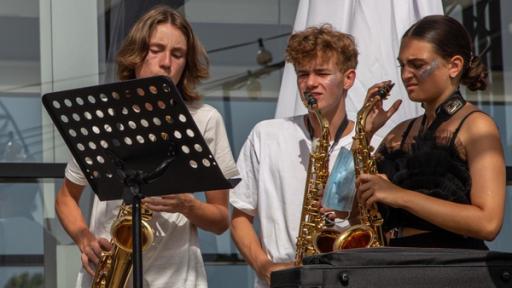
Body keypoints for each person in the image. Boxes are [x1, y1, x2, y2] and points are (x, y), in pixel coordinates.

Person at [55, 5, 239, 287]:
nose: (166, 62)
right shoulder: (102, 116)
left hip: (178, 278)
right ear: (136, 54)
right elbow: (66, 198)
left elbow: (220, 219)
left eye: (177, 55)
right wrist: (83, 237)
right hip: (108, 273)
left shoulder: (205, 119)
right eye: (156, 49)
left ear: (185, 64)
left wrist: (186, 205)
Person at [230, 24, 363, 287]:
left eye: (322, 73)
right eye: (303, 74)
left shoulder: (370, 144)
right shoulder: (265, 134)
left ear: (349, 78)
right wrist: (265, 268)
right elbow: (240, 218)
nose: (310, 83)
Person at [357, 15, 505, 249]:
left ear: (454, 66)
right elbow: (340, 206)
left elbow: (488, 223)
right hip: (391, 263)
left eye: (417, 65)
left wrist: (399, 196)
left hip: (449, 269)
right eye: (402, 65)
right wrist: (362, 135)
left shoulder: (476, 125)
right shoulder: (400, 131)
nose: (406, 75)